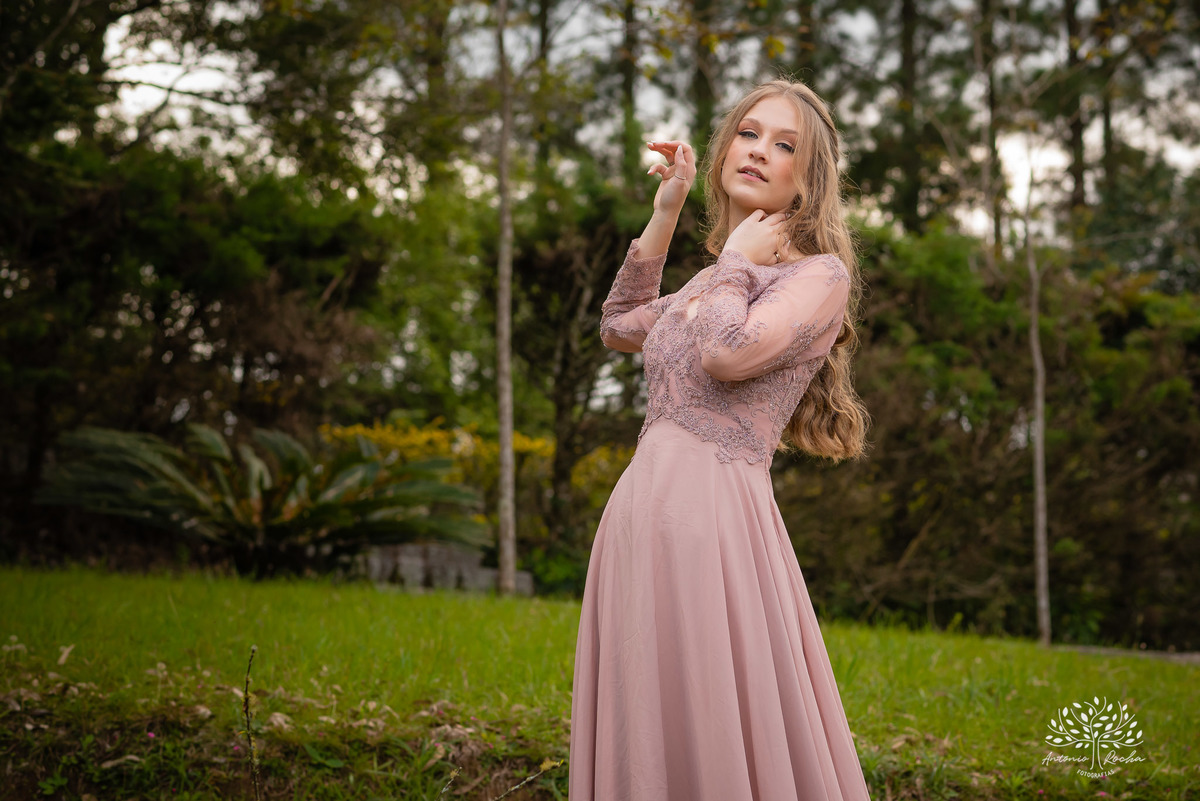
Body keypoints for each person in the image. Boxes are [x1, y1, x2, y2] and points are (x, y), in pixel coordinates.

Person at [568, 79, 874, 801]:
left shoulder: (818, 277)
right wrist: (667, 209)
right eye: (748, 133)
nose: (760, 151)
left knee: (711, 708)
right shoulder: (715, 277)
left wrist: (736, 260)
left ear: (809, 178)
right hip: (638, 520)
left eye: (784, 144)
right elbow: (619, 324)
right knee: (646, 713)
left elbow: (727, 354)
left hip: (715, 525)